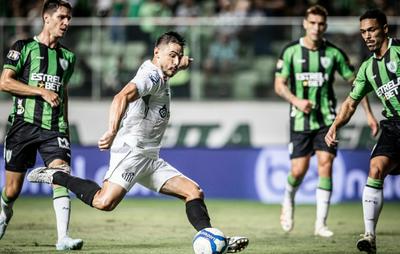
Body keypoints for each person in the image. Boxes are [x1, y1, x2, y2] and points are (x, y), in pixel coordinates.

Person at [27, 31, 249, 253]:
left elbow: (176, 63)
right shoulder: (150, 77)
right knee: (104, 202)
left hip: (150, 157)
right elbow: (121, 97)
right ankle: (56, 175)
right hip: (131, 152)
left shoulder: (164, 71)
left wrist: (183, 62)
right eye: (171, 55)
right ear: (156, 52)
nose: (175, 61)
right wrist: (112, 130)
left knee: (194, 192)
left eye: (178, 56)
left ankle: (213, 239)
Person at [274, 4, 379, 238]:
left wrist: (370, 115)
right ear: (305, 24)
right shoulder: (290, 51)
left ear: (325, 26)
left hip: (327, 120)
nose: (316, 28)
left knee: (326, 164)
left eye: (321, 24)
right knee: (298, 171)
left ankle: (320, 224)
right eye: (312, 23)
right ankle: (288, 199)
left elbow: (358, 84)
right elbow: (279, 85)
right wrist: (297, 101)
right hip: (300, 121)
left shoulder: (334, 53)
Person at [0, 0, 83, 250]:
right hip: (22, 126)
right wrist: (41, 91)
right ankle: (4, 214)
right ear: (46, 18)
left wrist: (65, 126)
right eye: (61, 17)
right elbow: (5, 83)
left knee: (61, 174)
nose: (66, 23)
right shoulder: (23, 47)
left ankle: (63, 238)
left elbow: (64, 92)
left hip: (53, 128)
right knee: (12, 190)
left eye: (68, 18)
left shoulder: (68, 57)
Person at [325, 9, 399, 254]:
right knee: (375, 168)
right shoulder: (368, 68)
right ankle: (370, 236)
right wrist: (335, 125)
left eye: (372, 30)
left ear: (385, 29)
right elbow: (350, 103)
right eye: (363, 32)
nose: (367, 36)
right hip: (393, 126)